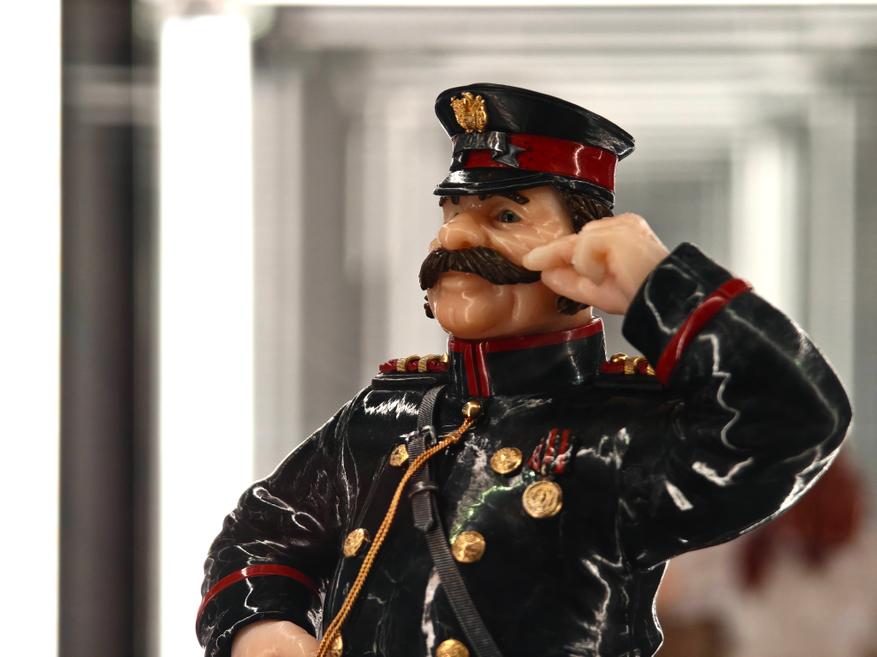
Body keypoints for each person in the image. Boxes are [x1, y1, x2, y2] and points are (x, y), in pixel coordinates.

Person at [196, 83, 852, 657]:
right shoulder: (387, 413)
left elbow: (794, 423)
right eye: (451, 213)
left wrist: (663, 287)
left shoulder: (619, 433)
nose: (453, 239)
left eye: (504, 216)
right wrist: (263, 628)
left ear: (586, 243)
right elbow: (265, 530)